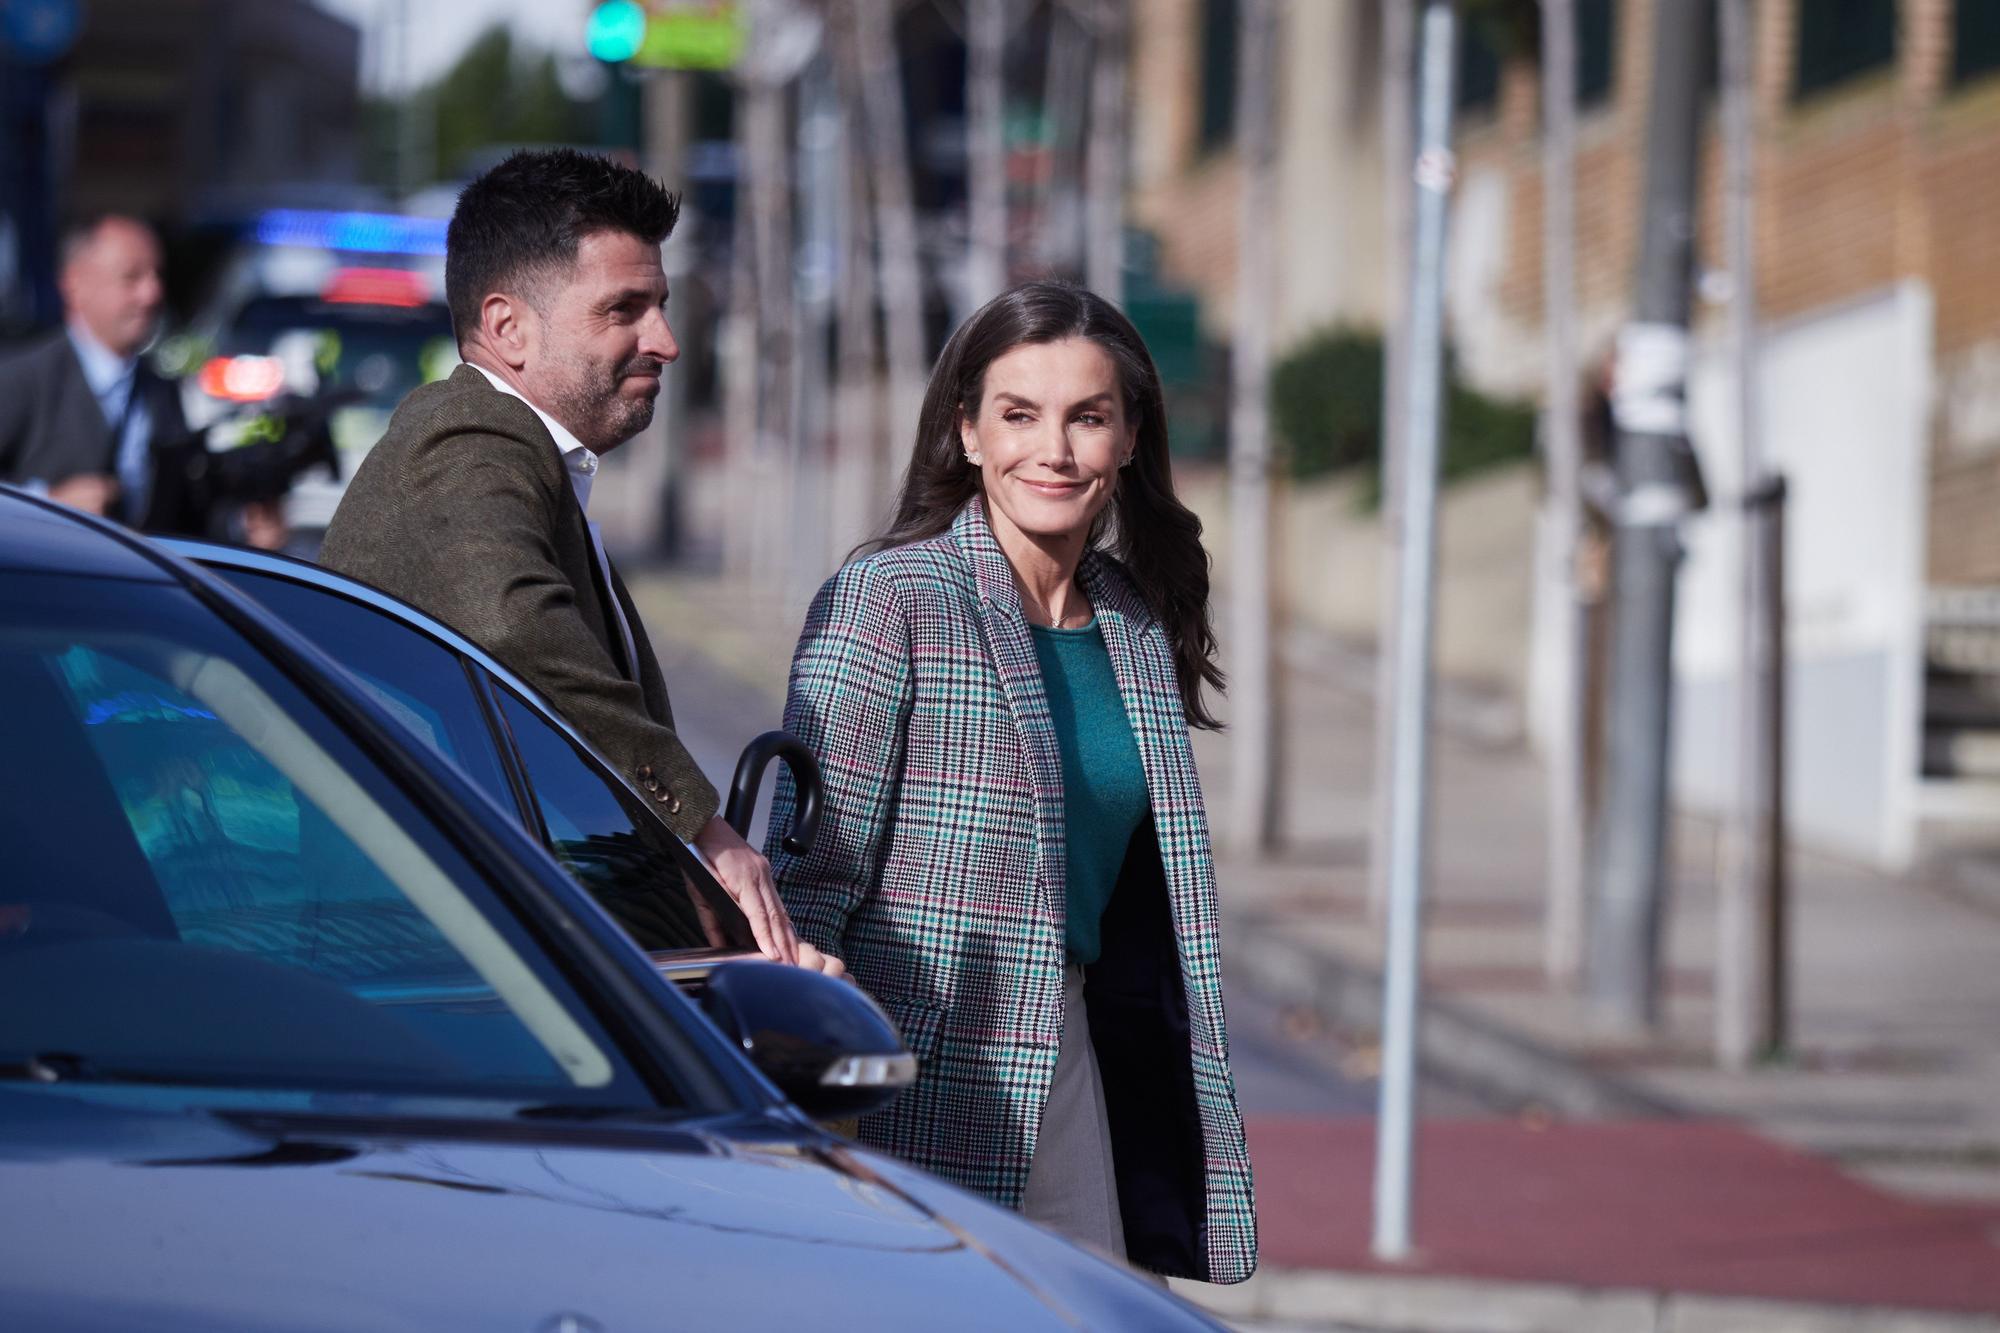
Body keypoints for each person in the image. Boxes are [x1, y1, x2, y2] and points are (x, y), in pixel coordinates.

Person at [767, 280, 1256, 1283]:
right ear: (968, 433)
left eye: (1087, 417)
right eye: (1018, 415)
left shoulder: (1130, 618)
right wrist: (818, 1100)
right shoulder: (889, 598)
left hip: (1076, 1058)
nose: (1055, 449)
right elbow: (809, 883)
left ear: (1126, 438)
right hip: (910, 1082)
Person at [318, 149, 833, 975]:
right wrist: (706, 830)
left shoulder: (523, 455)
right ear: (508, 327)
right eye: (623, 308)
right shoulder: (470, 437)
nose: (663, 340)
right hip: (424, 966)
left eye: (660, 304)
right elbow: (511, 622)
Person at [0, 213, 284, 547]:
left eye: (156, 276)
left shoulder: (160, 390)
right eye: (131, 277)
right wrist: (45, 504)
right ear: (76, 283)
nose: (152, 292)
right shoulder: (22, 380)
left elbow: (183, 516)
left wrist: (243, 530)